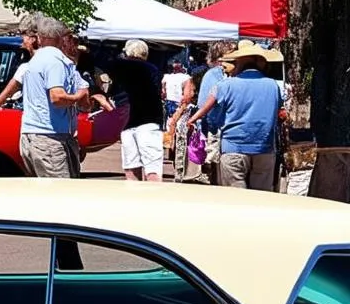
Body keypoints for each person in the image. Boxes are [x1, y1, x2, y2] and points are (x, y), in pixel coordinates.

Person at [186, 42, 283, 192]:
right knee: (262, 199)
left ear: (239, 61)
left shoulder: (226, 85)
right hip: (264, 148)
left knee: (236, 198)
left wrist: (192, 121)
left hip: (233, 147)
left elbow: (206, 107)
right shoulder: (273, 86)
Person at [19, 17, 90, 179]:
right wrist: (79, 95)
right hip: (50, 138)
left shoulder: (36, 60)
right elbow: (57, 98)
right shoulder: (54, 61)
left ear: (40, 37)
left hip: (33, 135)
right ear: (62, 38)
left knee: (45, 192)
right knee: (61, 193)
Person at [106, 39, 164, 181]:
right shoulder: (152, 69)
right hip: (149, 120)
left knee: (131, 166)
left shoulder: (118, 67)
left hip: (126, 121)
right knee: (152, 167)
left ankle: (133, 198)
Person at [193, 40, 237, 185]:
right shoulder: (230, 73)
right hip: (227, 128)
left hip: (218, 128)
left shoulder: (213, 74)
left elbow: (202, 104)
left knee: (218, 166)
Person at [0, 16, 40, 110]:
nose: (21, 39)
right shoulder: (56, 62)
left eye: (23, 35)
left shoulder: (27, 68)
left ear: (32, 39)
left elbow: (7, 93)